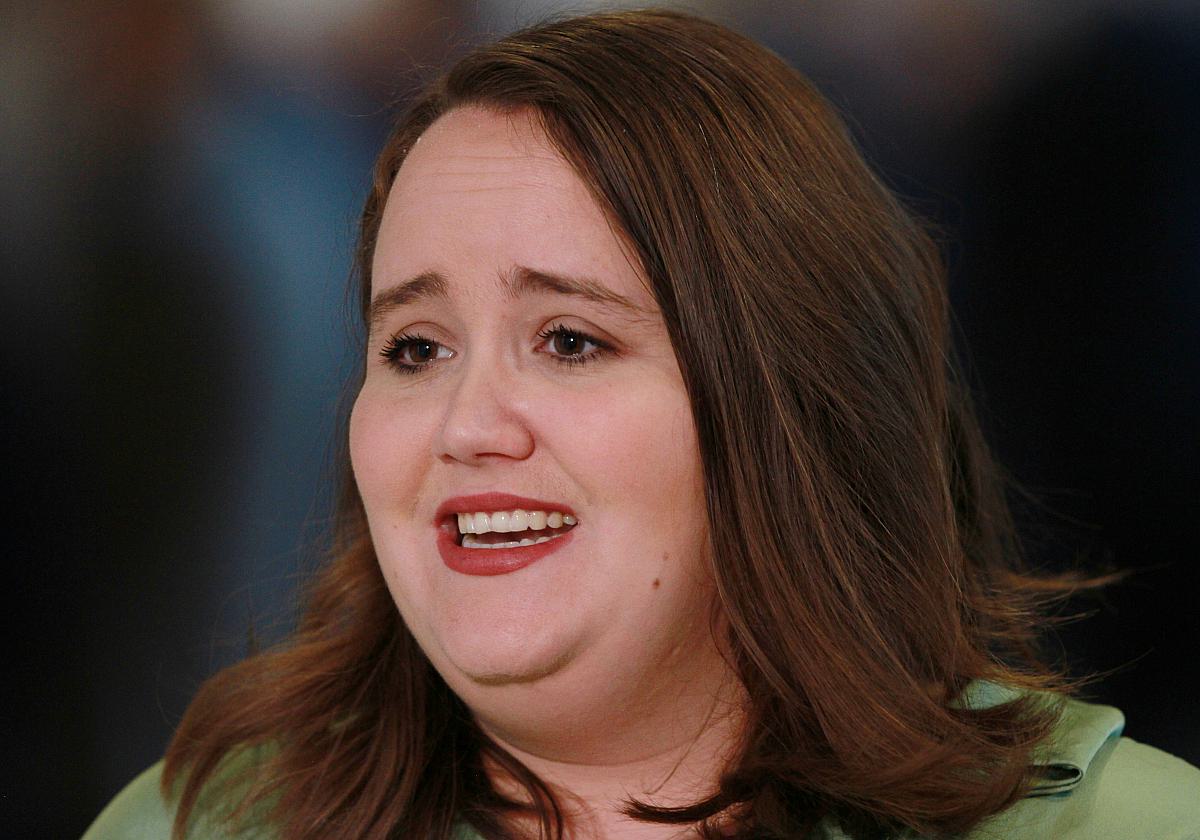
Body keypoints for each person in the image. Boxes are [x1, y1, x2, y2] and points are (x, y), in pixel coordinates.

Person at [83, 10, 1200, 840]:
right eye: (415, 349)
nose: (467, 425)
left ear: (789, 400)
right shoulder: (185, 827)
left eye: (570, 340)